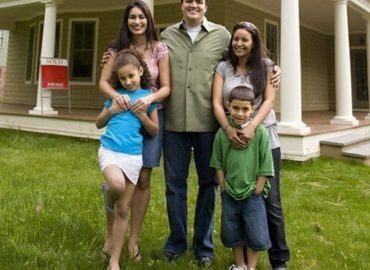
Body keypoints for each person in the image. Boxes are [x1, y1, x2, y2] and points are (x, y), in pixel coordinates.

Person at [160, 1, 281, 266]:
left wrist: (273, 69)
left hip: (207, 126)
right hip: (174, 123)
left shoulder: (223, 35)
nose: (193, 5)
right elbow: (148, 62)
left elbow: (248, 56)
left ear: (205, 5)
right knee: (174, 186)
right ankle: (177, 241)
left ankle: (204, 247)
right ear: (182, 4)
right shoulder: (166, 35)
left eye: (199, 1)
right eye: (188, 0)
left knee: (209, 185)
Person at [212, 21, 290, 270]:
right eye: (236, 38)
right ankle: (242, 261)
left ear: (254, 43)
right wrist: (229, 129)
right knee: (238, 200)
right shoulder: (224, 67)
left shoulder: (266, 66)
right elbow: (216, 102)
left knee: (270, 200)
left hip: (264, 137)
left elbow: (268, 100)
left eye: (245, 39)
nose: (239, 43)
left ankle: (279, 260)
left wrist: (250, 127)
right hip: (230, 137)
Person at [99, 0, 170, 262]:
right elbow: (104, 83)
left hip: (149, 115)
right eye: (132, 17)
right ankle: (110, 235)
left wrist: (149, 100)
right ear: (126, 21)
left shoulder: (160, 48)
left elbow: (166, 87)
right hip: (122, 120)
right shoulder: (115, 49)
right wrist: (117, 100)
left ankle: (133, 241)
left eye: (141, 16)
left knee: (143, 179)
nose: (137, 21)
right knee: (117, 183)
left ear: (148, 20)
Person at [96, 49, 159, 270]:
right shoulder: (116, 97)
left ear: (141, 71)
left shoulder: (147, 98)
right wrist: (112, 109)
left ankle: (114, 260)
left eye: (131, 76)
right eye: (123, 78)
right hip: (110, 150)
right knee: (116, 184)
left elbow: (154, 130)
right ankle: (108, 194)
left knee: (123, 208)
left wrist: (142, 115)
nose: (128, 81)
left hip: (133, 156)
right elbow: (98, 123)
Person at [210, 86, 274, 270]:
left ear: (252, 109)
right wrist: (223, 187)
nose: (240, 113)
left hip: (253, 193)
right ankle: (239, 265)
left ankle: (251, 267)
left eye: (245, 109)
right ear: (229, 106)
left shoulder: (260, 133)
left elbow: (266, 164)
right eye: (236, 108)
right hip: (230, 192)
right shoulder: (222, 134)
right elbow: (218, 162)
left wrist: (258, 189)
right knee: (232, 230)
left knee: (254, 231)